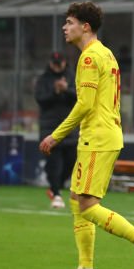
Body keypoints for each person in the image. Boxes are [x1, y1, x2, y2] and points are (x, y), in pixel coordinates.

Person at [41, 2, 134, 269]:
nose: (65, 27)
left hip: (98, 137)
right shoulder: (105, 53)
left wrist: (56, 134)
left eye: (70, 22)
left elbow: (85, 104)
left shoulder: (88, 58)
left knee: (88, 205)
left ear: (85, 26)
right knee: (76, 199)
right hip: (102, 134)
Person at [35, 51, 77, 209]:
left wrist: (66, 89)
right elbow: (40, 99)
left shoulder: (73, 76)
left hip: (70, 127)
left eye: (60, 63)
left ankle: (55, 187)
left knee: (71, 161)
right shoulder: (43, 79)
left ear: (65, 62)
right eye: (55, 64)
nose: (58, 67)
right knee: (54, 162)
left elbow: (81, 97)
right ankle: (56, 193)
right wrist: (55, 92)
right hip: (50, 127)